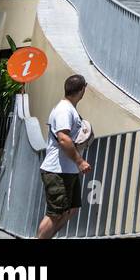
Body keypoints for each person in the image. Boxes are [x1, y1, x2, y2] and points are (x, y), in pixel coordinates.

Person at [36, 74, 91, 239]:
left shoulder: (70, 109)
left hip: (68, 170)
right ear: (82, 90)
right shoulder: (64, 110)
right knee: (56, 213)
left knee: (71, 209)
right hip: (57, 170)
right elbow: (63, 138)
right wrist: (80, 161)